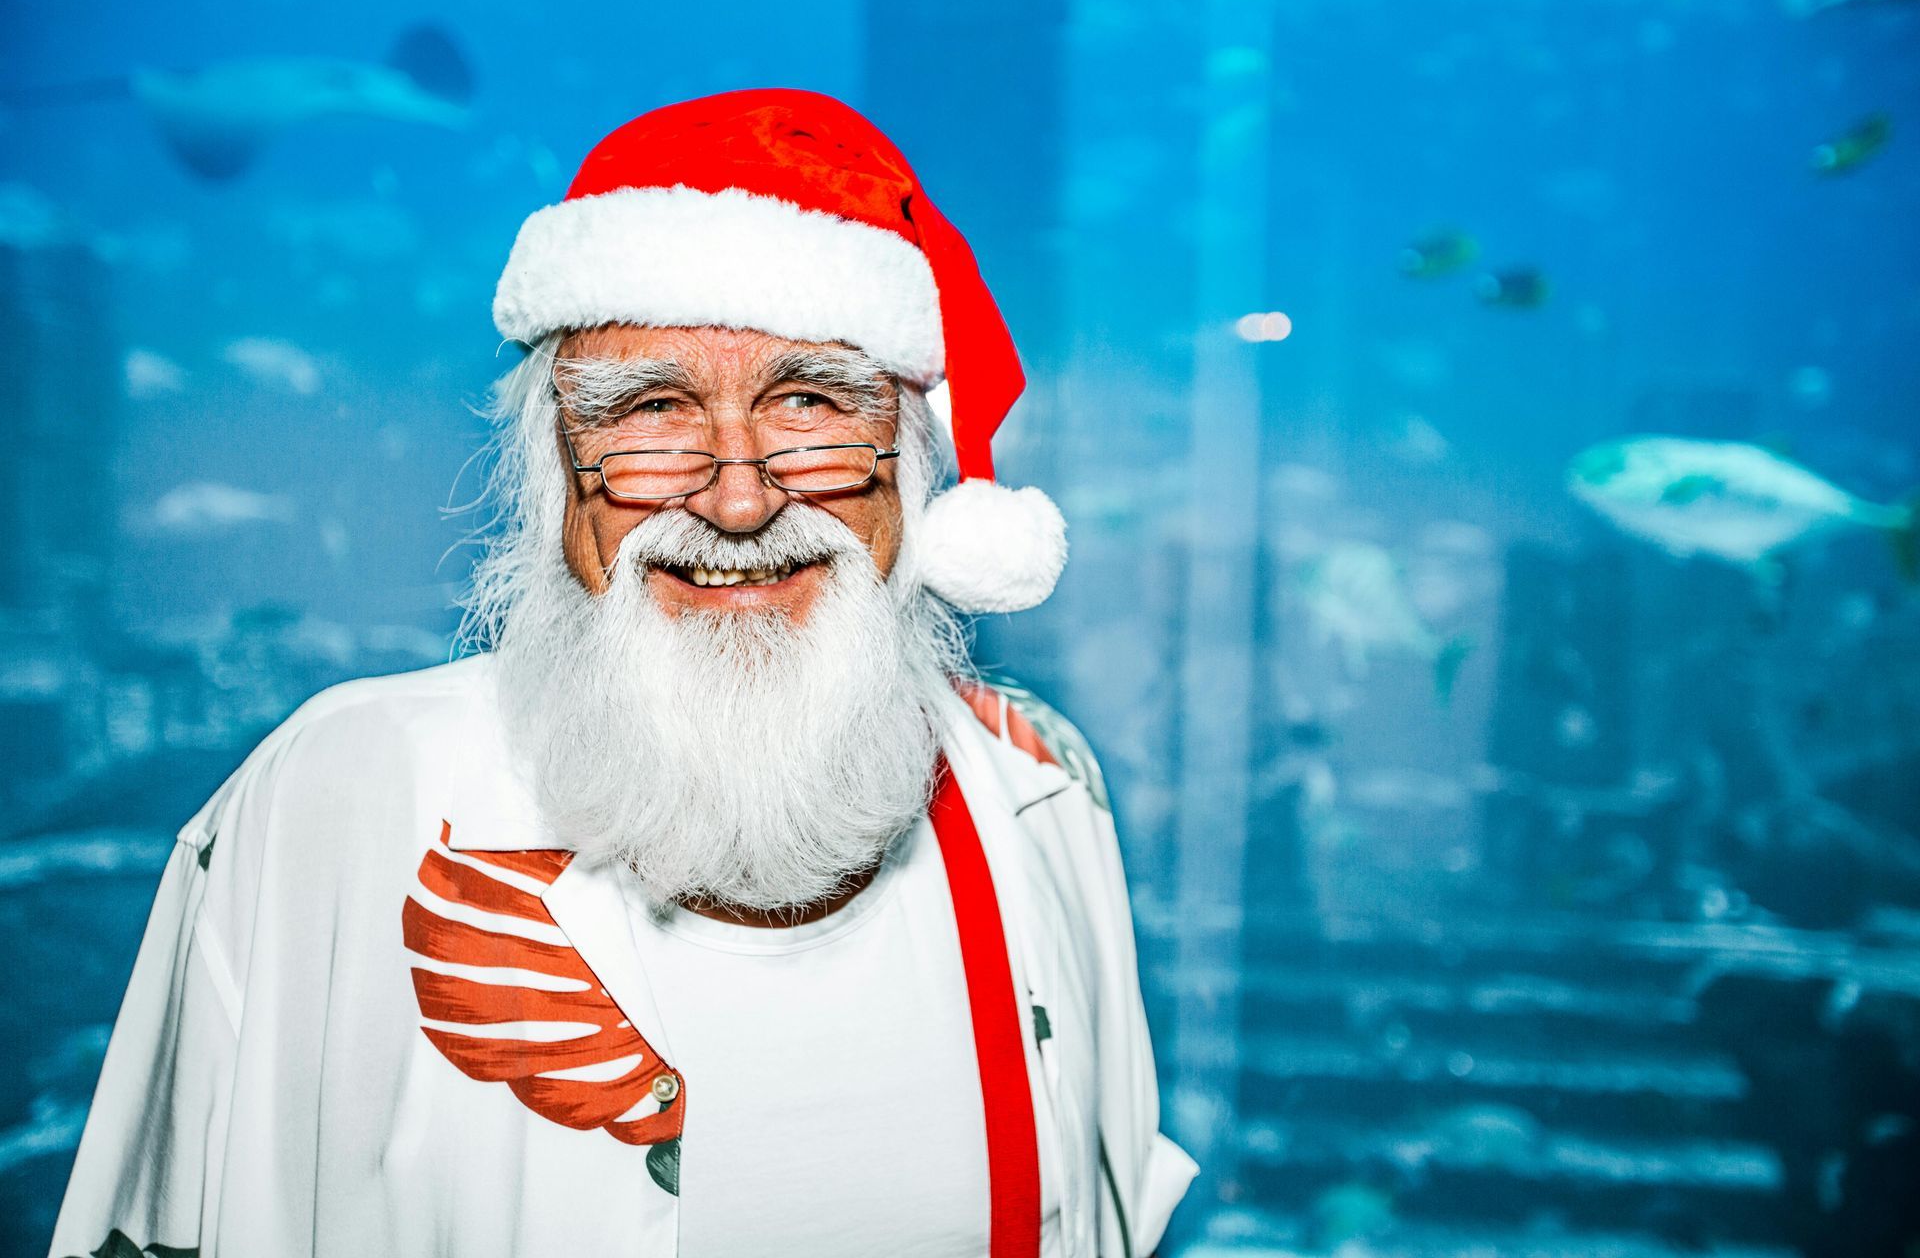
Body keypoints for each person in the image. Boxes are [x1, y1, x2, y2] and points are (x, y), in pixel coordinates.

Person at [50, 88, 1196, 1258]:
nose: (741, 497)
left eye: (809, 404)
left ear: (913, 472)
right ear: (553, 470)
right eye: (652, 411)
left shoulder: (1041, 790)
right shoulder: (336, 797)